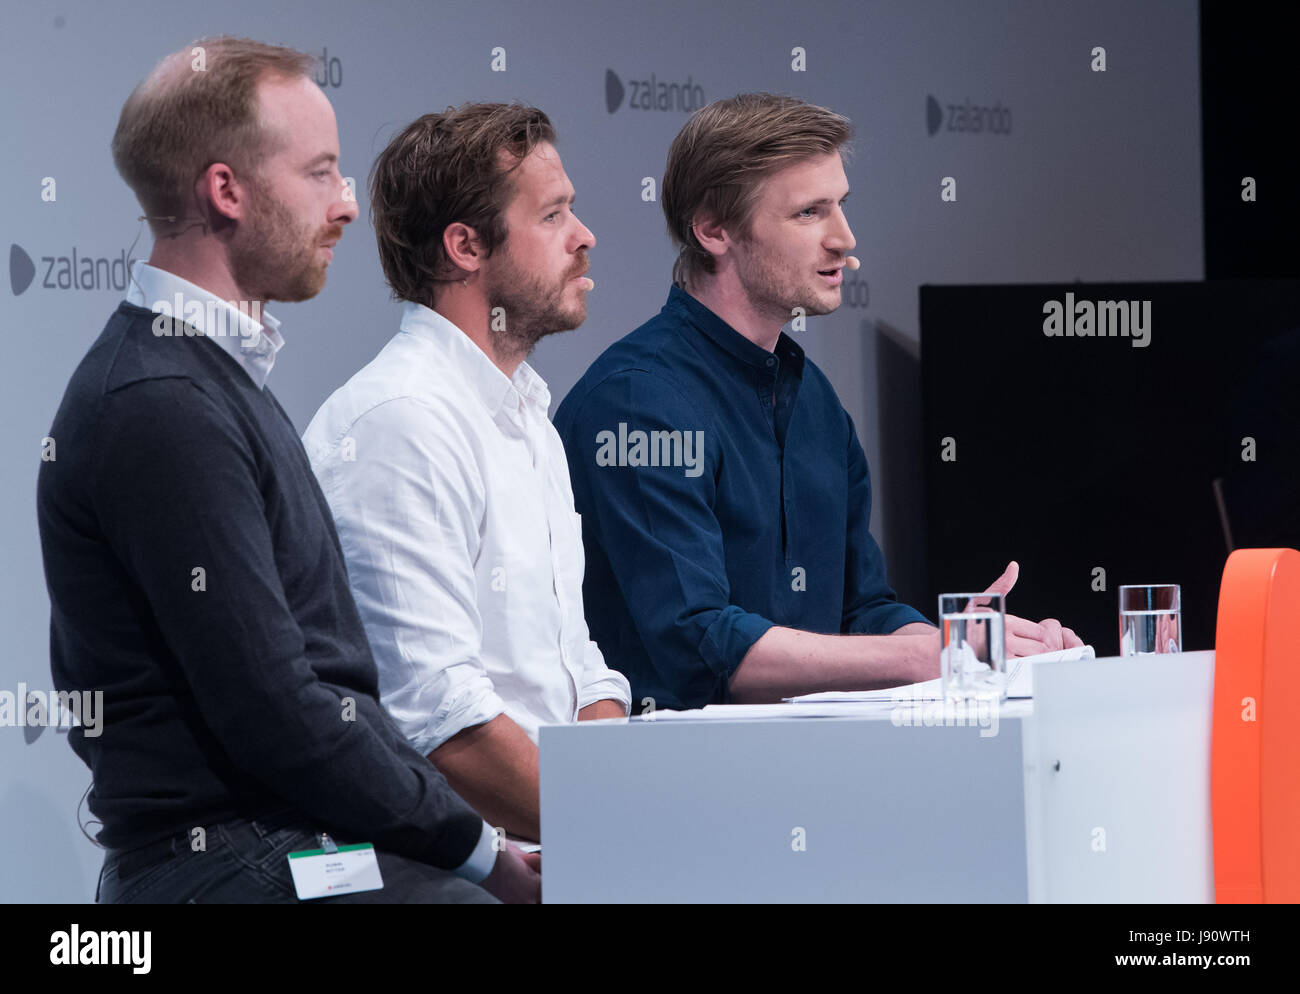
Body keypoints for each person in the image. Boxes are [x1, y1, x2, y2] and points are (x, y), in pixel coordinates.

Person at [36, 37, 537, 903]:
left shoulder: (206, 381)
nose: (347, 204)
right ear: (227, 191)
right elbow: (278, 712)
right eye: (321, 173)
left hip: (290, 845)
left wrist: (480, 848)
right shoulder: (160, 401)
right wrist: (485, 857)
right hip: (229, 864)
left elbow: (319, 699)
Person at [554, 93, 1081, 712]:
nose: (845, 239)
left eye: (841, 207)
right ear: (713, 229)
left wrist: (978, 644)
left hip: (808, 773)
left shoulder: (814, 400)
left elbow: (862, 609)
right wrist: (923, 656)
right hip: (668, 784)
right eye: (809, 213)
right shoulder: (637, 403)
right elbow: (699, 642)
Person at [305, 104, 630, 843]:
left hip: (558, 845)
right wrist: (621, 832)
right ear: (465, 247)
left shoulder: (528, 419)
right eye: (552, 216)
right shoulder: (400, 422)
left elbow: (579, 671)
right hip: (447, 871)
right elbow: (443, 726)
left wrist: (624, 817)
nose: (585, 237)